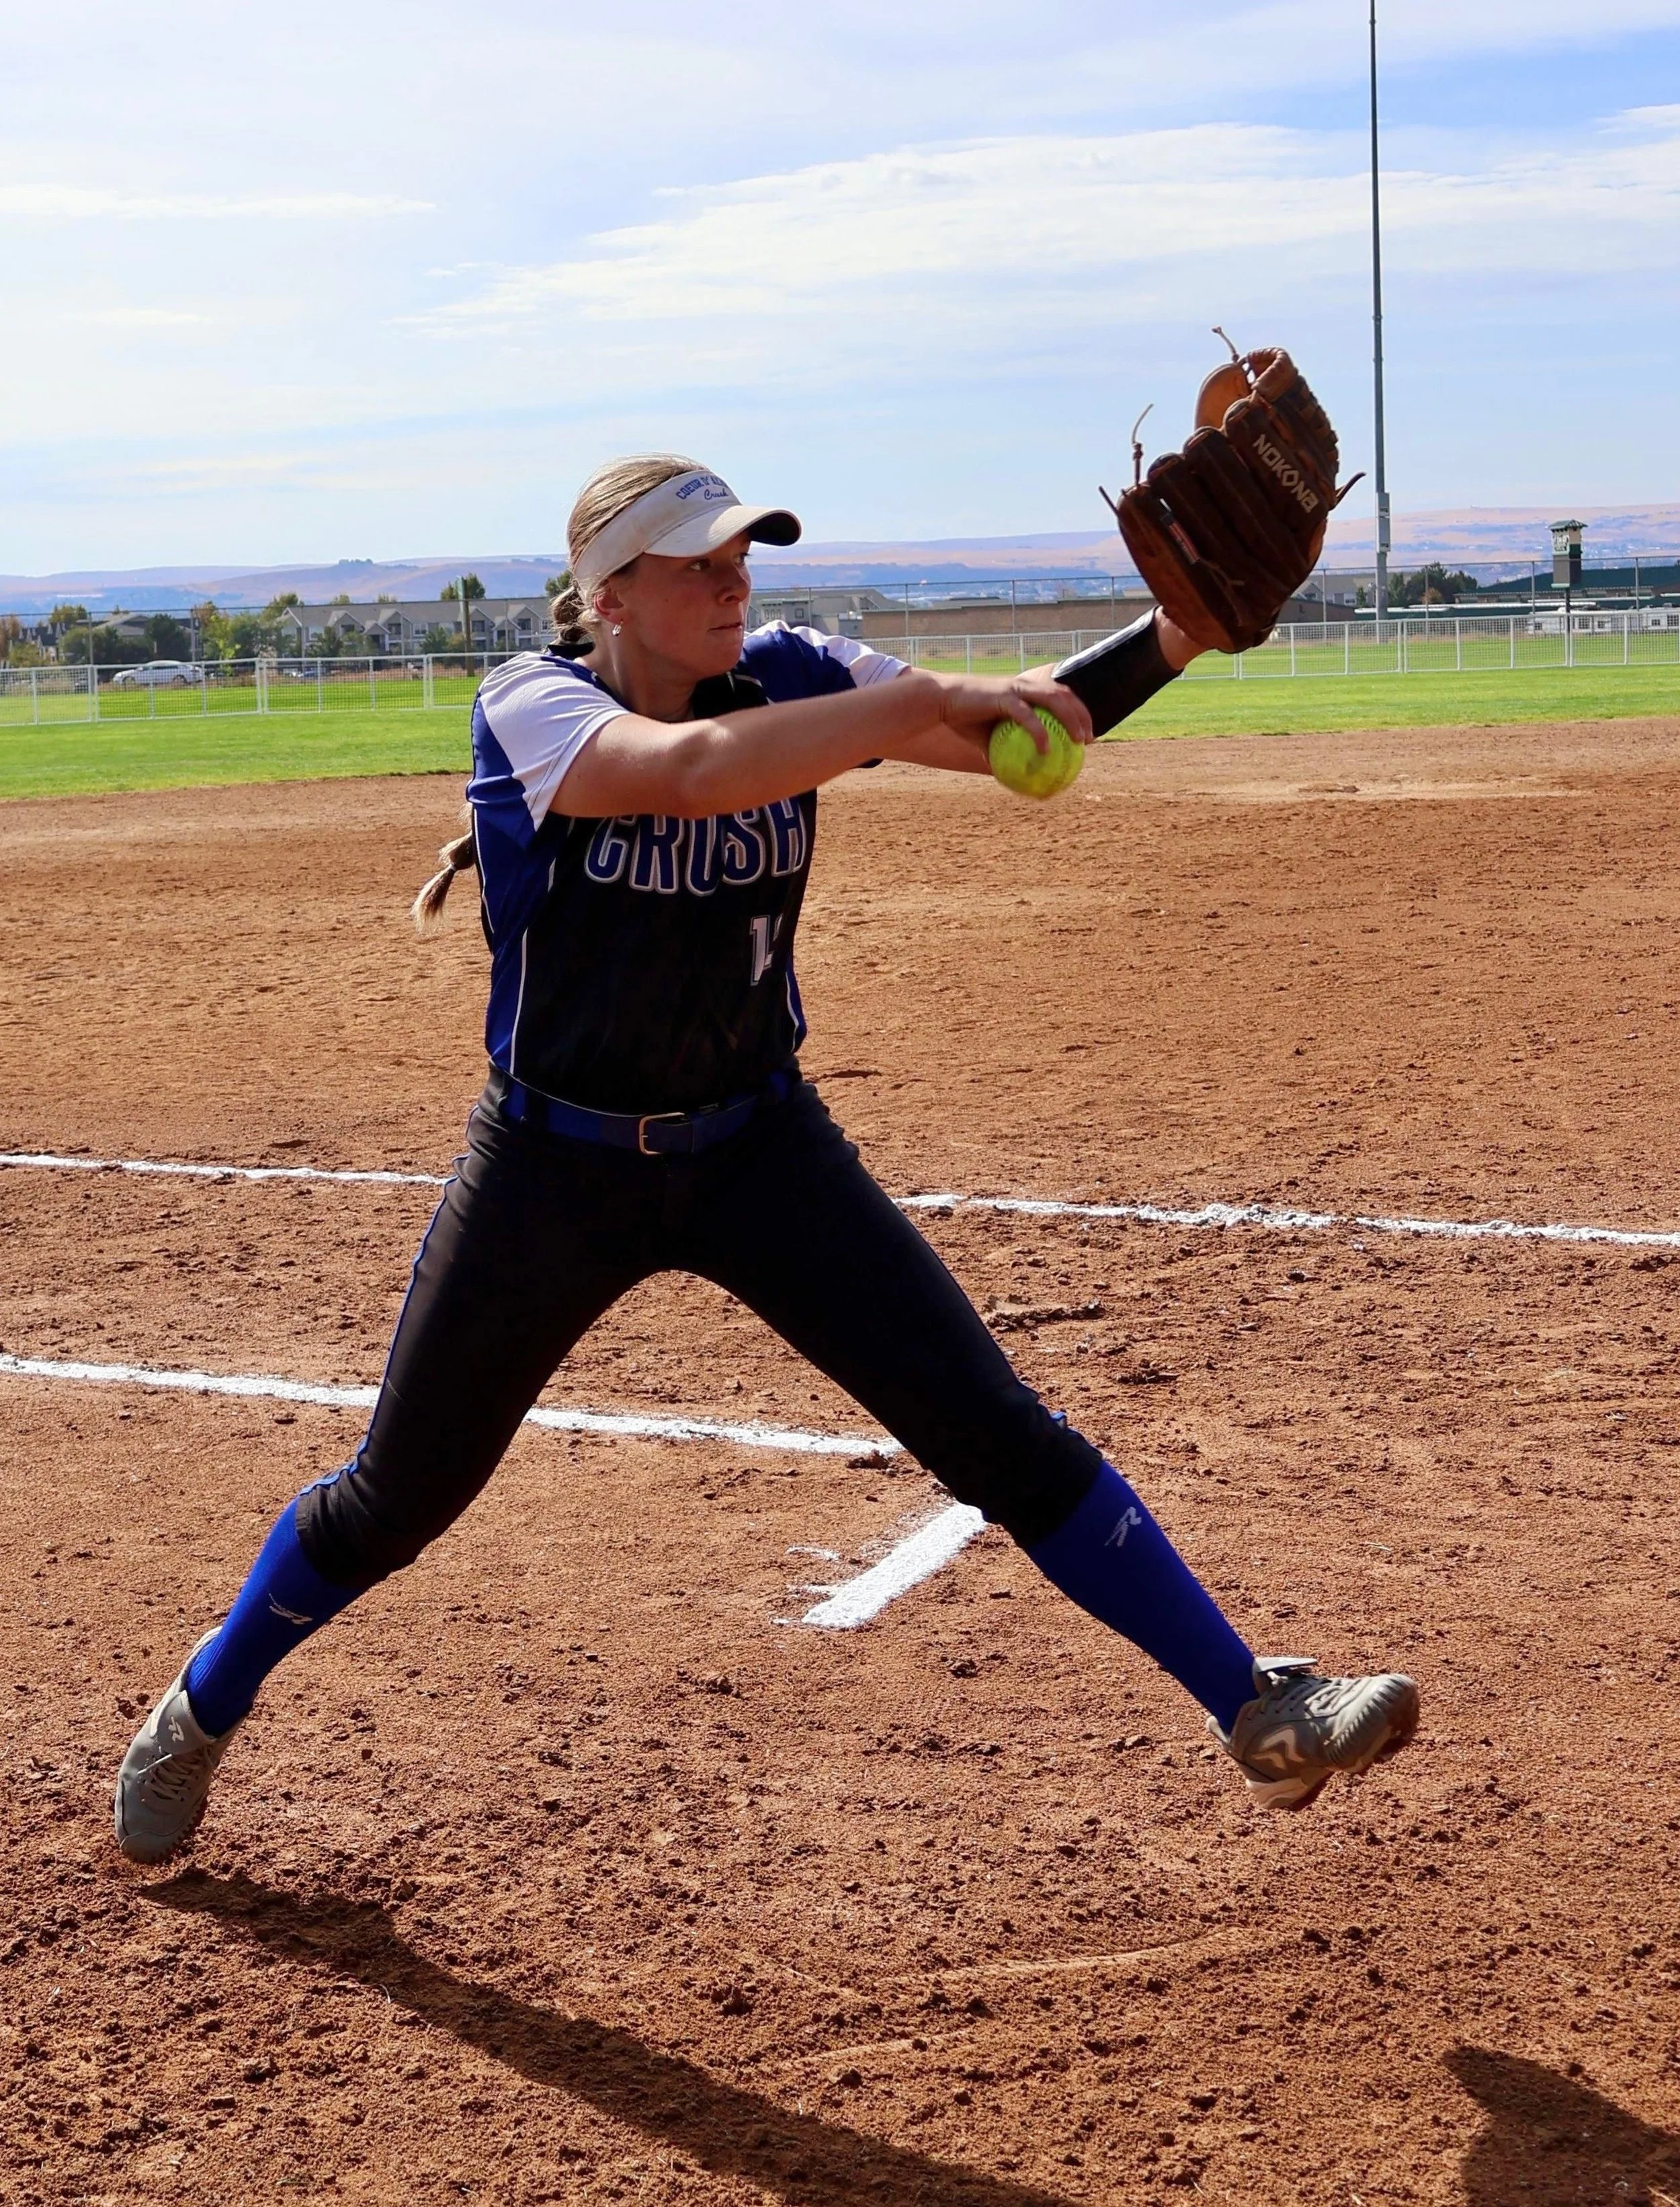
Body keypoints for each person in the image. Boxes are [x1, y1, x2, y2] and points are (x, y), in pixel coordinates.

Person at [114, 454, 1417, 1862]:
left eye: (743, 554)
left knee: (995, 1435)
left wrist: (1178, 634)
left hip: (758, 1148)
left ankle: (1253, 1708)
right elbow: (688, 774)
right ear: (608, 592)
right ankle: (201, 1707)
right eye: (696, 562)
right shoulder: (533, 707)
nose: (734, 579)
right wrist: (913, 703)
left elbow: (1019, 731)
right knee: (398, 1497)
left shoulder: (790, 670)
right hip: (556, 1167)